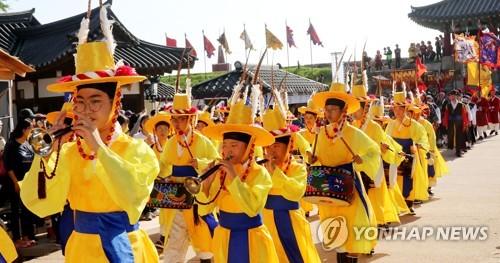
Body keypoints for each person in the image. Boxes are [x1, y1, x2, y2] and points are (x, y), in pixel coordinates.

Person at [20, 6, 160, 262]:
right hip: (81, 249)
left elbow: (135, 196)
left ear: (115, 101)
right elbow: (42, 202)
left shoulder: (137, 149)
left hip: (126, 245)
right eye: (80, 102)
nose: (85, 110)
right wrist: (48, 154)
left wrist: (100, 148)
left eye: (95, 102)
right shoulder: (71, 151)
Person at [197, 99, 279, 263]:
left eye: (234, 145)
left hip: (251, 237)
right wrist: (206, 183)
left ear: (249, 147)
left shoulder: (260, 173)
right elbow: (204, 210)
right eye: (225, 145)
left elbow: (252, 208)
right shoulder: (221, 172)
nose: (227, 150)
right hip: (224, 235)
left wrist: (234, 177)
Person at [310, 83, 380, 262]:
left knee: (352, 229)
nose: (329, 113)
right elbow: (315, 155)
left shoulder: (353, 133)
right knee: (335, 232)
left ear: (344, 111)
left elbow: (373, 150)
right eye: (327, 109)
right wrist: (311, 159)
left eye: (333, 109)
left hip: (348, 188)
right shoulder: (321, 132)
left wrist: (361, 160)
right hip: (326, 188)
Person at [160, 90, 219, 263]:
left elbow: (216, 163)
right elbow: (163, 166)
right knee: (175, 241)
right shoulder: (171, 142)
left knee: (202, 240)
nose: (176, 123)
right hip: (177, 196)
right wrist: (164, 176)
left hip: (197, 197)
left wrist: (200, 163)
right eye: (174, 119)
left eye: (181, 119)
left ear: (191, 119)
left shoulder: (203, 141)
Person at [260, 98, 321, 263]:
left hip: (290, 221)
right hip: (266, 220)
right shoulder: (260, 168)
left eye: (276, 146)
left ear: (289, 146)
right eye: (268, 147)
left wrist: (275, 172)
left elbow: (296, 192)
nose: (271, 151)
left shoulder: (298, 168)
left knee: (295, 256)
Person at [350, 84, 400, 227]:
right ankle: (365, 221)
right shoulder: (352, 125)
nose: (354, 113)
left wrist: (384, 148)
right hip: (358, 165)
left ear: (365, 108)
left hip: (372, 164)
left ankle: (378, 219)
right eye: (352, 109)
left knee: (376, 194)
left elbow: (383, 144)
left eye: (357, 109)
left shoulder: (374, 126)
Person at [385, 91, 429, 213]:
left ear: (405, 109)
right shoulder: (391, 125)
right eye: (395, 109)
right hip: (395, 154)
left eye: (399, 109)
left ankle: (409, 203)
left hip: (408, 154)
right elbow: (386, 139)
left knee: (409, 178)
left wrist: (419, 145)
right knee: (395, 178)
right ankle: (397, 204)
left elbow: (423, 137)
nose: (397, 112)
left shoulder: (413, 124)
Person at [3, 119, 38, 248]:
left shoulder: (28, 145)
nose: (32, 131)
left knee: (27, 211)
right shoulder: (11, 145)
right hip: (14, 184)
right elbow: (8, 166)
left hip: (28, 184)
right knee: (16, 211)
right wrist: (16, 183)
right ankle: (17, 239)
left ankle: (27, 236)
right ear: (23, 130)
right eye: (30, 128)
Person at [143, 111, 171, 252]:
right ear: (155, 131)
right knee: (164, 212)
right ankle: (163, 236)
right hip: (158, 182)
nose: (163, 131)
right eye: (160, 129)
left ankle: (167, 237)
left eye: (165, 129)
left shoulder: (172, 145)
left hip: (172, 182)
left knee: (172, 211)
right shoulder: (151, 148)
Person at [443, 90, 470, 157]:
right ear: (450, 96)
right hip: (451, 123)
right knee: (452, 136)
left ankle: (458, 150)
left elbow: (464, 115)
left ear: (457, 97)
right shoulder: (448, 105)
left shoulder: (462, 105)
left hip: (459, 123)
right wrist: (446, 124)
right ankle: (455, 148)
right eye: (452, 96)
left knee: (459, 136)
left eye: (455, 96)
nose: (454, 97)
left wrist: (466, 123)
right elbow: (446, 115)